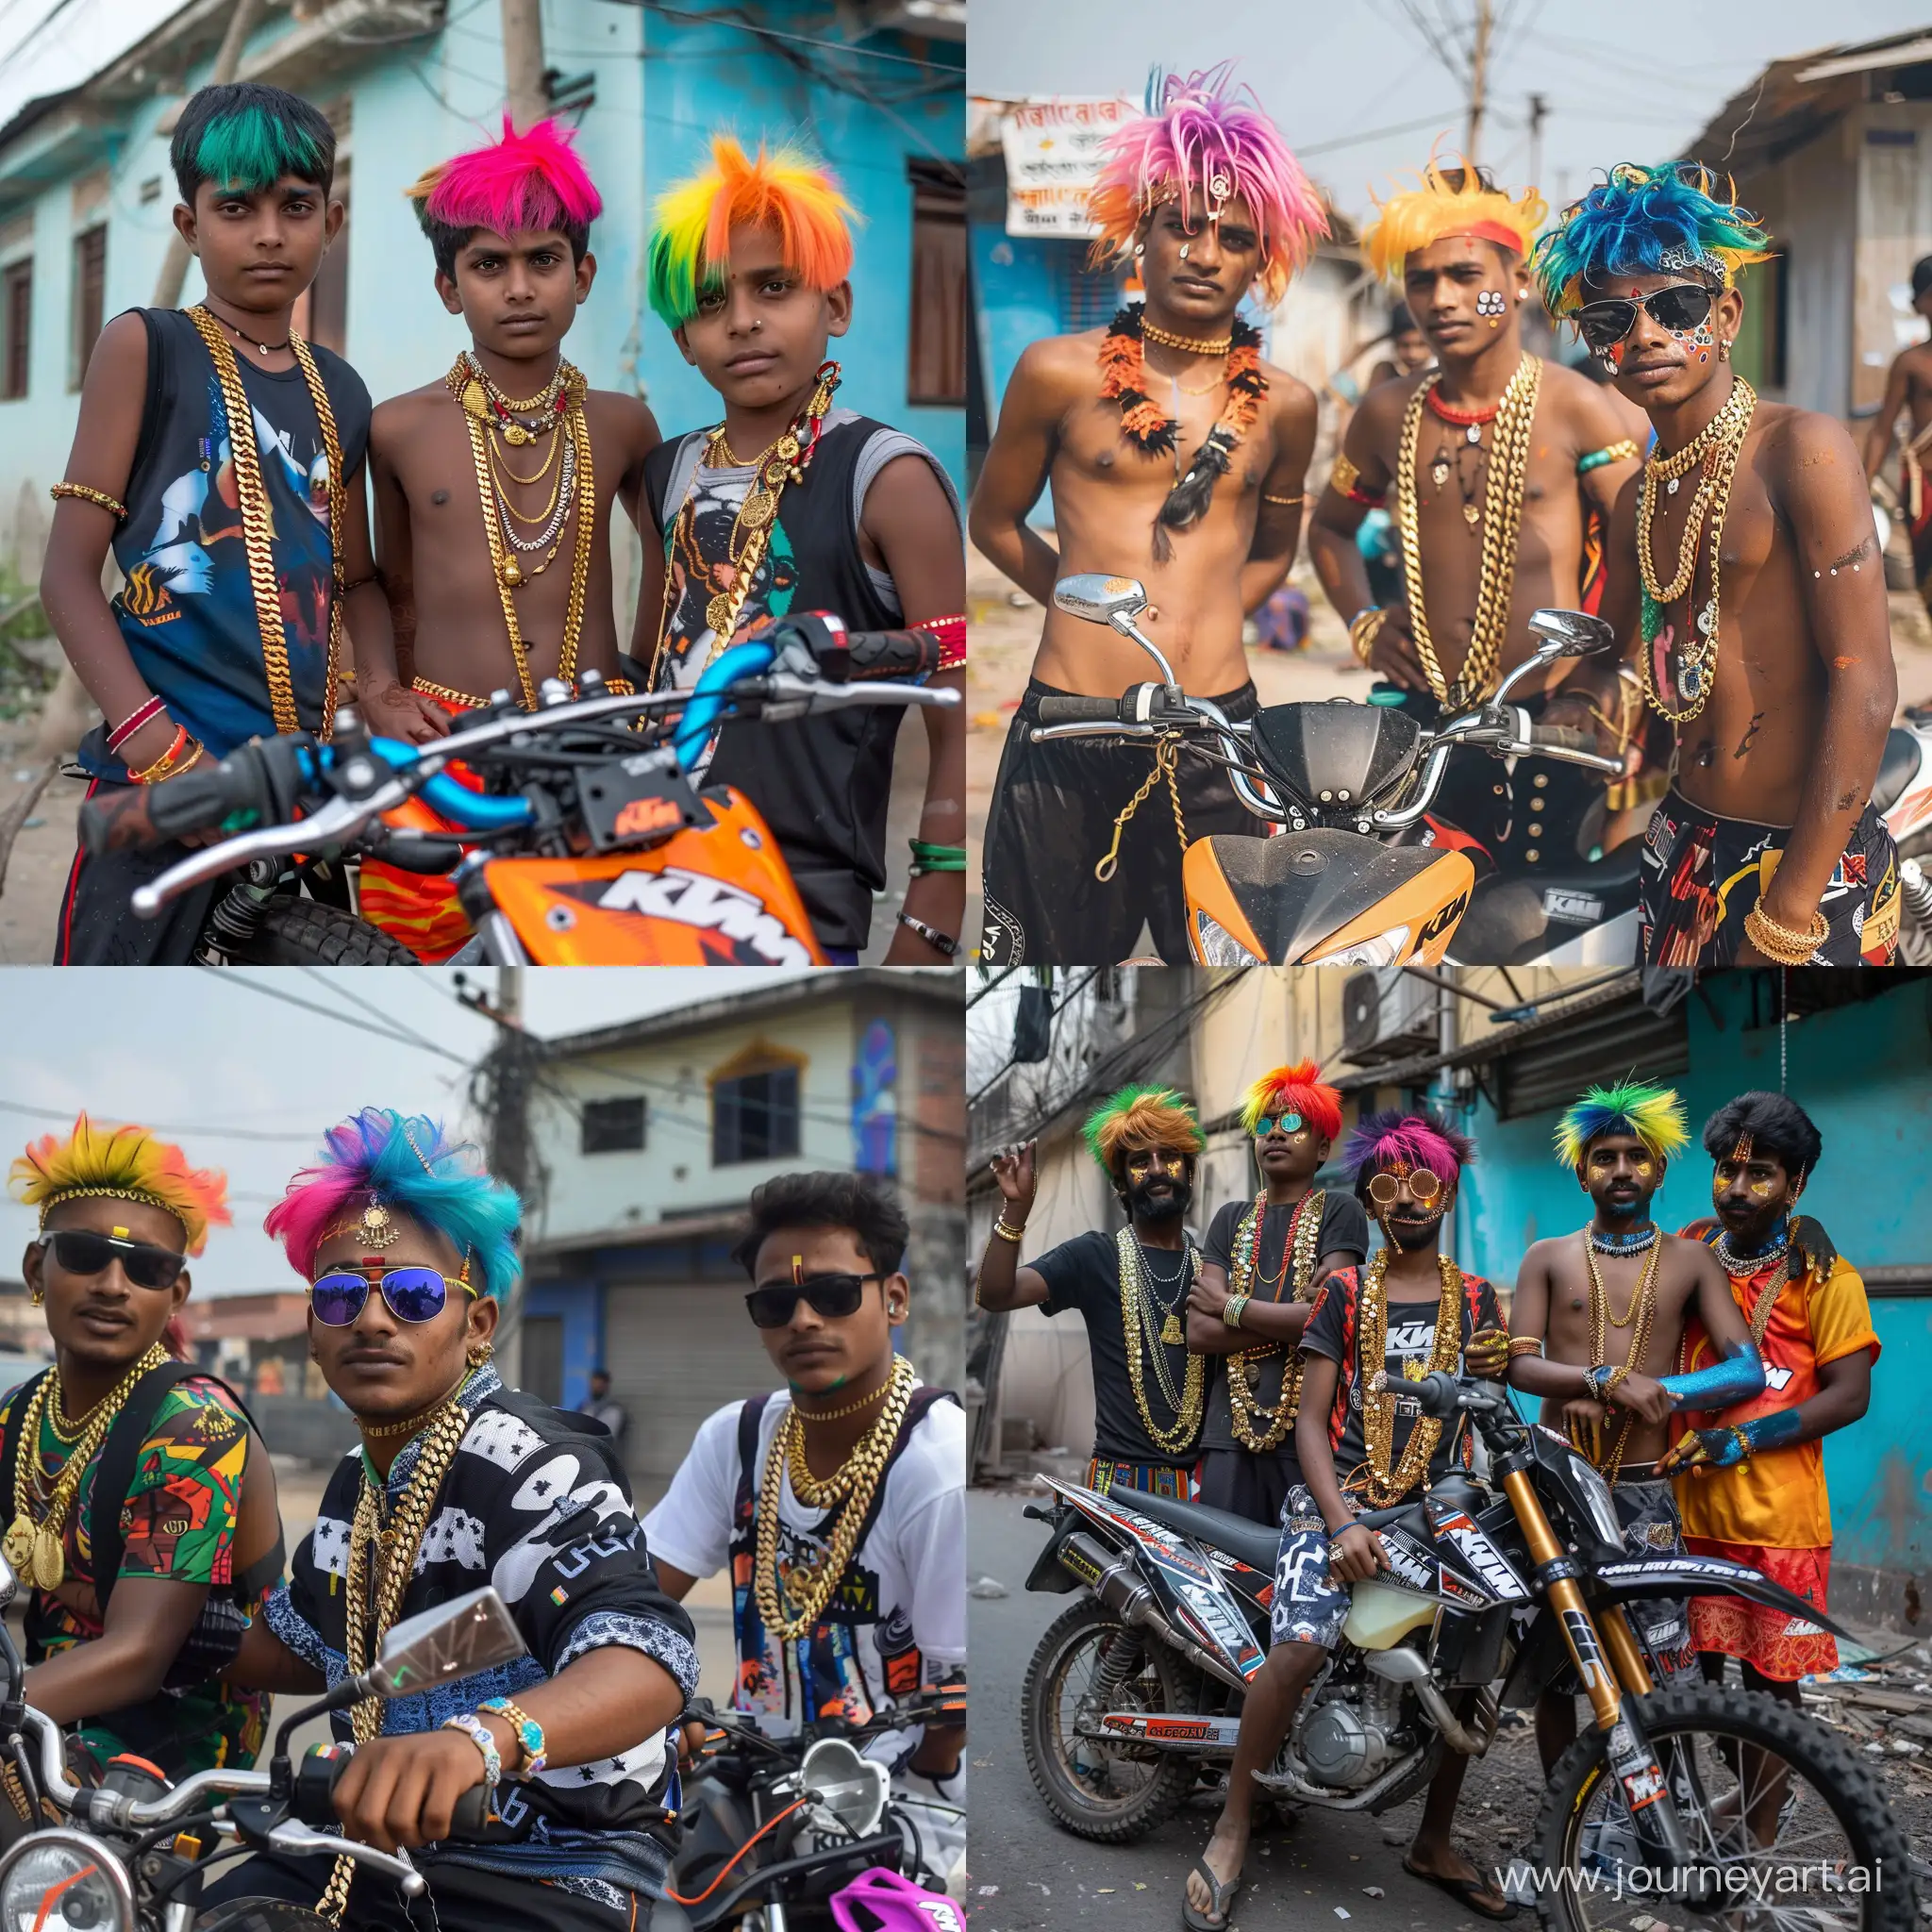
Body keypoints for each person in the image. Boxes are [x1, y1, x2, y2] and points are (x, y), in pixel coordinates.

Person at [211, 1108, 698, 1932]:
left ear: (476, 1326)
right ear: (312, 1332)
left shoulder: (529, 1462)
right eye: (338, 1296)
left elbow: (647, 1655)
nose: (370, 1320)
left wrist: (480, 1740)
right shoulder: (354, 1487)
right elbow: (302, 1648)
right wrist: (133, 1620)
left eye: (410, 1294)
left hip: (550, 1863)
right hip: (361, 1850)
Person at [970, 65, 1326, 964]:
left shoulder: (1286, 403)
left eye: (1234, 238)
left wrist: (1200, 624)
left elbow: (1275, 550)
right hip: (1071, 721)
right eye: (1183, 228)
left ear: (1261, 261)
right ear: (1143, 237)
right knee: (1041, 970)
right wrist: (1080, 602)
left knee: (1226, 966)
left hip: (1220, 733)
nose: (1205, 254)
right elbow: (996, 521)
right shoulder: (1057, 371)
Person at [1534, 163, 1902, 966]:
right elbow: (1625, 655)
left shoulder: (1803, 452)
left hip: (1803, 854)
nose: (1646, 336)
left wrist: (1792, 908)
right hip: (1681, 841)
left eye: (1675, 307)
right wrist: (1571, 704)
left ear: (1726, 314)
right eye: (1610, 322)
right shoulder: (1640, 490)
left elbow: (1868, 686)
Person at [42, 81, 375, 964]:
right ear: (191, 226)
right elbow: (67, 576)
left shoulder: (341, 391)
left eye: (295, 207)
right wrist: (156, 746)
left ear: (330, 223)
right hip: (165, 779)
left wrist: (359, 699)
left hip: (291, 785)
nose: (269, 232)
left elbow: (345, 581)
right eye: (237, 208)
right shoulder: (145, 347)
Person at [638, 135, 967, 967]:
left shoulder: (887, 479)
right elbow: (651, 662)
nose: (743, 320)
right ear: (684, 339)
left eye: (774, 288)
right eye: (712, 302)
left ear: (838, 305)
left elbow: (954, 705)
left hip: (801, 886)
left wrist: (933, 907)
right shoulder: (666, 473)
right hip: (646, 863)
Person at [1184, 1110, 1512, 1930]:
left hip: (1438, 1515)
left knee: (1472, 1660)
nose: (1408, 1201)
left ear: (1448, 1190)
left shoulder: (1477, 1301)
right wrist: (1338, 1525)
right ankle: (1232, 1825)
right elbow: (1309, 1420)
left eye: (1424, 1183)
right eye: (1388, 1187)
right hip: (1338, 1507)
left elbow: (1499, 1398)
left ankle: (1432, 1840)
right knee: (1296, 1647)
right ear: (1368, 1203)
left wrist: (1590, 1384)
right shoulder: (1344, 1290)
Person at [354, 119, 664, 960]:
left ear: (583, 274)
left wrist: (645, 686)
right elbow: (374, 583)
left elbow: (675, 566)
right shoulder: (396, 429)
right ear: (450, 288)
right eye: (489, 265)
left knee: (603, 951)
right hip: (443, 746)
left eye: (544, 261)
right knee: (418, 951)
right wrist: (380, 689)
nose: (519, 287)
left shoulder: (626, 427)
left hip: (596, 736)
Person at [1307, 153, 1645, 878]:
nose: (1443, 300)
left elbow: (1650, 543)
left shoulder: (1572, 406)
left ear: (1517, 282)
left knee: (1532, 923)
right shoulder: (1386, 411)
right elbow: (1330, 528)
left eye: (1467, 277)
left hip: (1547, 718)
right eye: (1423, 280)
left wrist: (1604, 679)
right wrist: (1365, 622)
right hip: (1421, 720)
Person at [644, 1173, 966, 1886]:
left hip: (904, 1810)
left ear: (895, 1298)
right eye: (776, 1303)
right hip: (753, 1791)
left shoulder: (937, 1466)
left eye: (833, 1294)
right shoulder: (737, 1438)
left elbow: (957, 1698)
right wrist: (667, 1694)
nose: (804, 1321)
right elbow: (635, 1595)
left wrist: (918, 1779)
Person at [4, 1115, 282, 1779]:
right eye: (83, 1254)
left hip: (173, 1735)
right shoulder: (20, 1414)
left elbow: (139, 1653)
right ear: (37, 1268)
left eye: (147, 1268)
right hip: (47, 1703)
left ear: (175, 1295)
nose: (112, 1284)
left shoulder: (194, 1429)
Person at [1506, 1081, 1766, 1775]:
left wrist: (1661, 1390)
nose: (1621, 1171)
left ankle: (1666, 1811)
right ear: (1581, 1170)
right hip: (1557, 1486)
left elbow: (1746, 1369)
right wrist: (1599, 1379)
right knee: (1561, 1662)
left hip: (1649, 1491)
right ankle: (1571, 1817)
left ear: (1660, 1168)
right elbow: (1519, 1365)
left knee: (1662, 1658)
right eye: (1605, 1157)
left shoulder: (1691, 1261)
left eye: (1636, 1157)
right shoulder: (1548, 1258)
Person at [1660, 1092, 1877, 1831]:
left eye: (1762, 1174)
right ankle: (1740, 1801)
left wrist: (1743, 1438)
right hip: (1687, 1512)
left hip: (1773, 1524)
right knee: (1697, 1683)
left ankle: (1756, 1837)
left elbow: (1849, 1396)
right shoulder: (1692, 1246)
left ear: (1797, 1184)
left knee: (1770, 1688)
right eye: (1727, 1169)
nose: (1739, 1189)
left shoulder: (1828, 1278)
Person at [974, 1086, 1208, 1498]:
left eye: (1169, 1157)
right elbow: (995, 1294)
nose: (1156, 1169)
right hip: (1117, 1493)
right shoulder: (1095, 1256)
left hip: (1199, 1494)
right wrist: (1015, 1209)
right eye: (1140, 1162)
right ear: (1121, 1185)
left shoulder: (1212, 1271)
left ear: (1188, 1172)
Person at [1183, 1061, 1368, 1524]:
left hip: (1309, 1433)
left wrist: (1231, 1306)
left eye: (1292, 1124)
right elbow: (1200, 1333)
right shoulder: (1230, 1217)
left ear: (1323, 1147)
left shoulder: (1339, 1212)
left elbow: (1329, 1320)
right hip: (1228, 1431)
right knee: (1222, 1571)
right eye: (1266, 1125)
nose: (1276, 1134)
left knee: (1298, 1576)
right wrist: (1294, 1318)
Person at [1862, 255, 1932, 624]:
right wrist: (1859, 487)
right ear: (1918, 302)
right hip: (1926, 490)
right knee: (1928, 580)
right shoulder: (1911, 364)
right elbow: (1881, 429)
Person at [585, 1367, 627, 1448]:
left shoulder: (614, 1411)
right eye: (593, 1383)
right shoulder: (585, 1407)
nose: (595, 1387)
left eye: (599, 1384)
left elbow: (611, 1437)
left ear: (605, 1386)